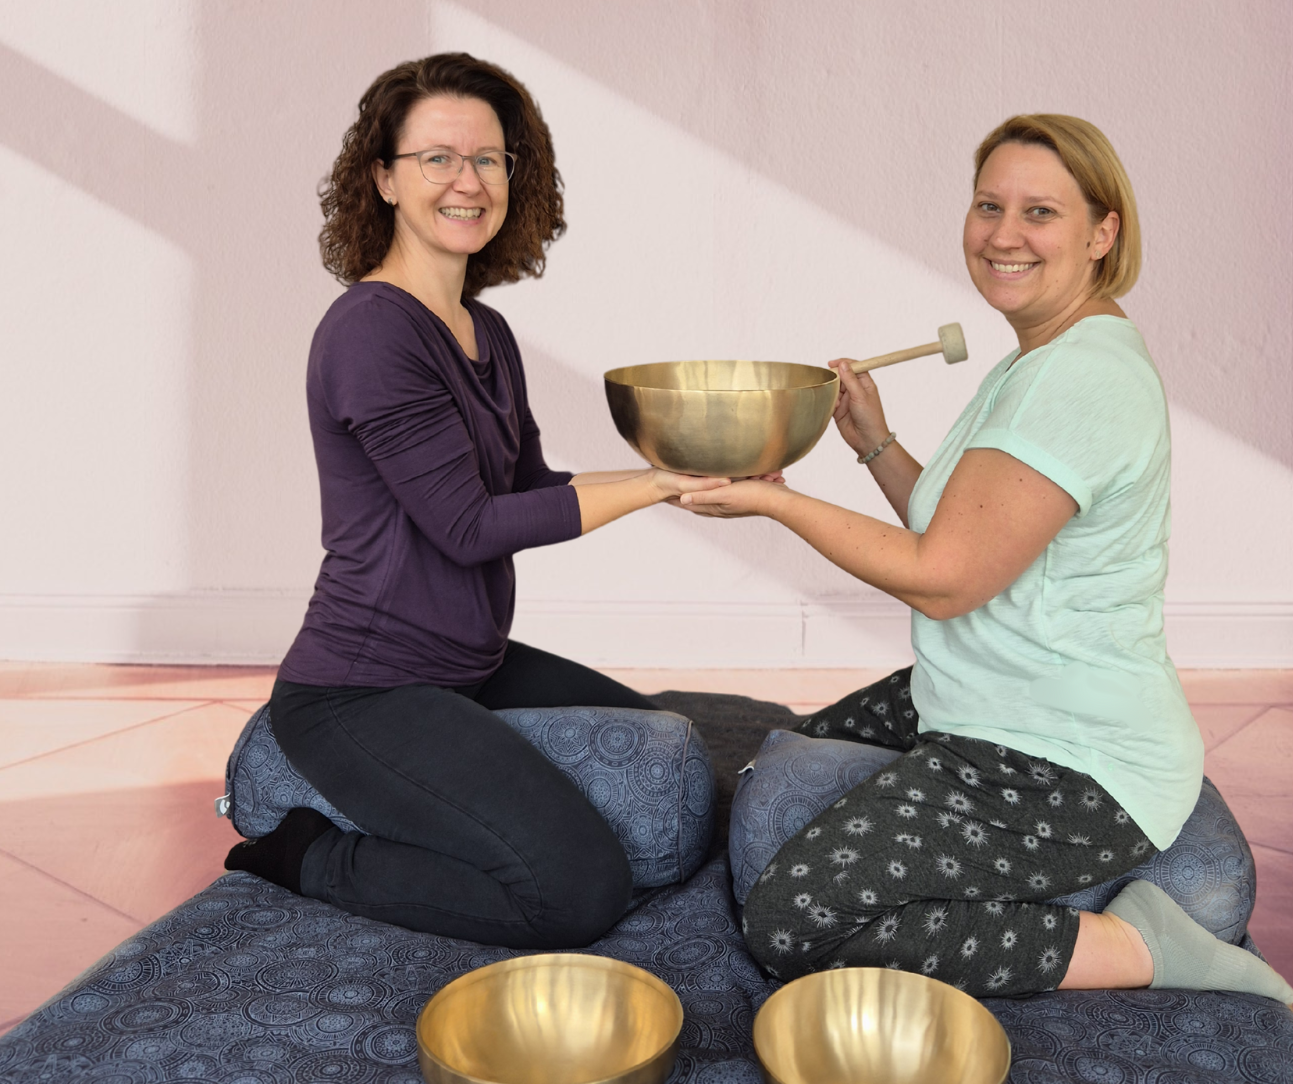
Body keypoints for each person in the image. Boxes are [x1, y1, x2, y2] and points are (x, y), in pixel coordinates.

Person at [683, 114, 1293, 1004]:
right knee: (787, 744)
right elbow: (968, 531)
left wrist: (776, 501)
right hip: (998, 693)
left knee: (794, 919)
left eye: (1038, 212)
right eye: (987, 206)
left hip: (1066, 761)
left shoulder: (1078, 378)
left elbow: (945, 578)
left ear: (1101, 232)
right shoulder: (1045, 356)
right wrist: (873, 440)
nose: (1003, 235)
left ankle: (1143, 948)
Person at [224, 53, 727, 948]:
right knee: (576, 893)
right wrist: (654, 486)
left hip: (470, 662)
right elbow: (467, 529)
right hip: (362, 690)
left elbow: (527, 492)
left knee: (670, 761)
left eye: (488, 159)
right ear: (383, 179)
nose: (468, 181)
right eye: (438, 159)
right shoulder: (372, 332)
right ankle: (310, 852)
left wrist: (680, 473)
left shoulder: (483, 329)